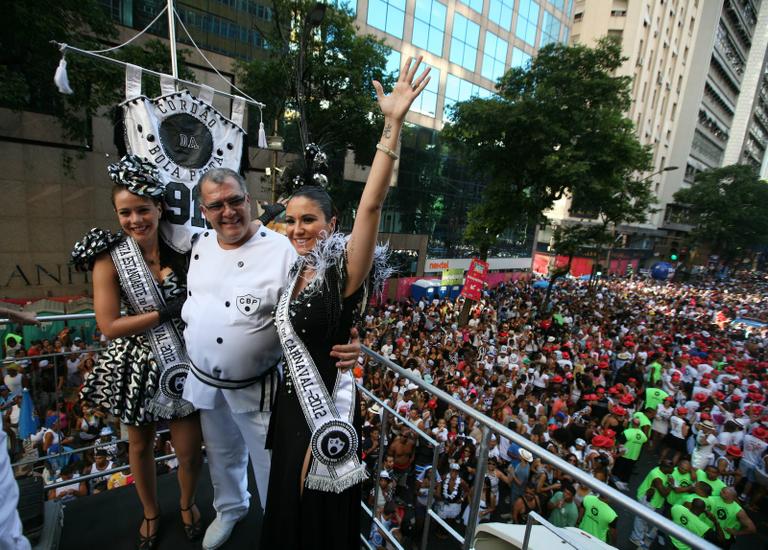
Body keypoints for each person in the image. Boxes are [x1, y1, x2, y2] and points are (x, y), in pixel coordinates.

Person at [260, 56, 430, 550]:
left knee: (314, 515)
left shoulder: (343, 272)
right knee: (286, 509)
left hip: (327, 412)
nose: (296, 229)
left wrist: (391, 124)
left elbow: (372, 204)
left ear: (332, 225)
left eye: (309, 220)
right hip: (291, 407)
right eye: (290, 220)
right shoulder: (293, 269)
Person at [181, 167, 361, 550]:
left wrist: (358, 340)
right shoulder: (197, 244)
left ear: (249, 201)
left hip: (258, 381)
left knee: (269, 466)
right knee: (220, 453)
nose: (227, 212)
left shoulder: (283, 249)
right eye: (216, 206)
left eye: (234, 201)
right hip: (205, 378)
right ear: (204, 210)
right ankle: (229, 509)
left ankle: (275, 526)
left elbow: (326, 303)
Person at [71, 155, 203, 549]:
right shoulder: (109, 258)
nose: (135, 220)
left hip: (182, 358)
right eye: (125, 212)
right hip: (136, 364)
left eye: (142, 209)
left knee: (189, 450)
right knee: (140, 444)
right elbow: (109, 326)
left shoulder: (183, 247)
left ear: (159, 207)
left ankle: (186, 503)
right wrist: (162, 313)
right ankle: (150, 511)